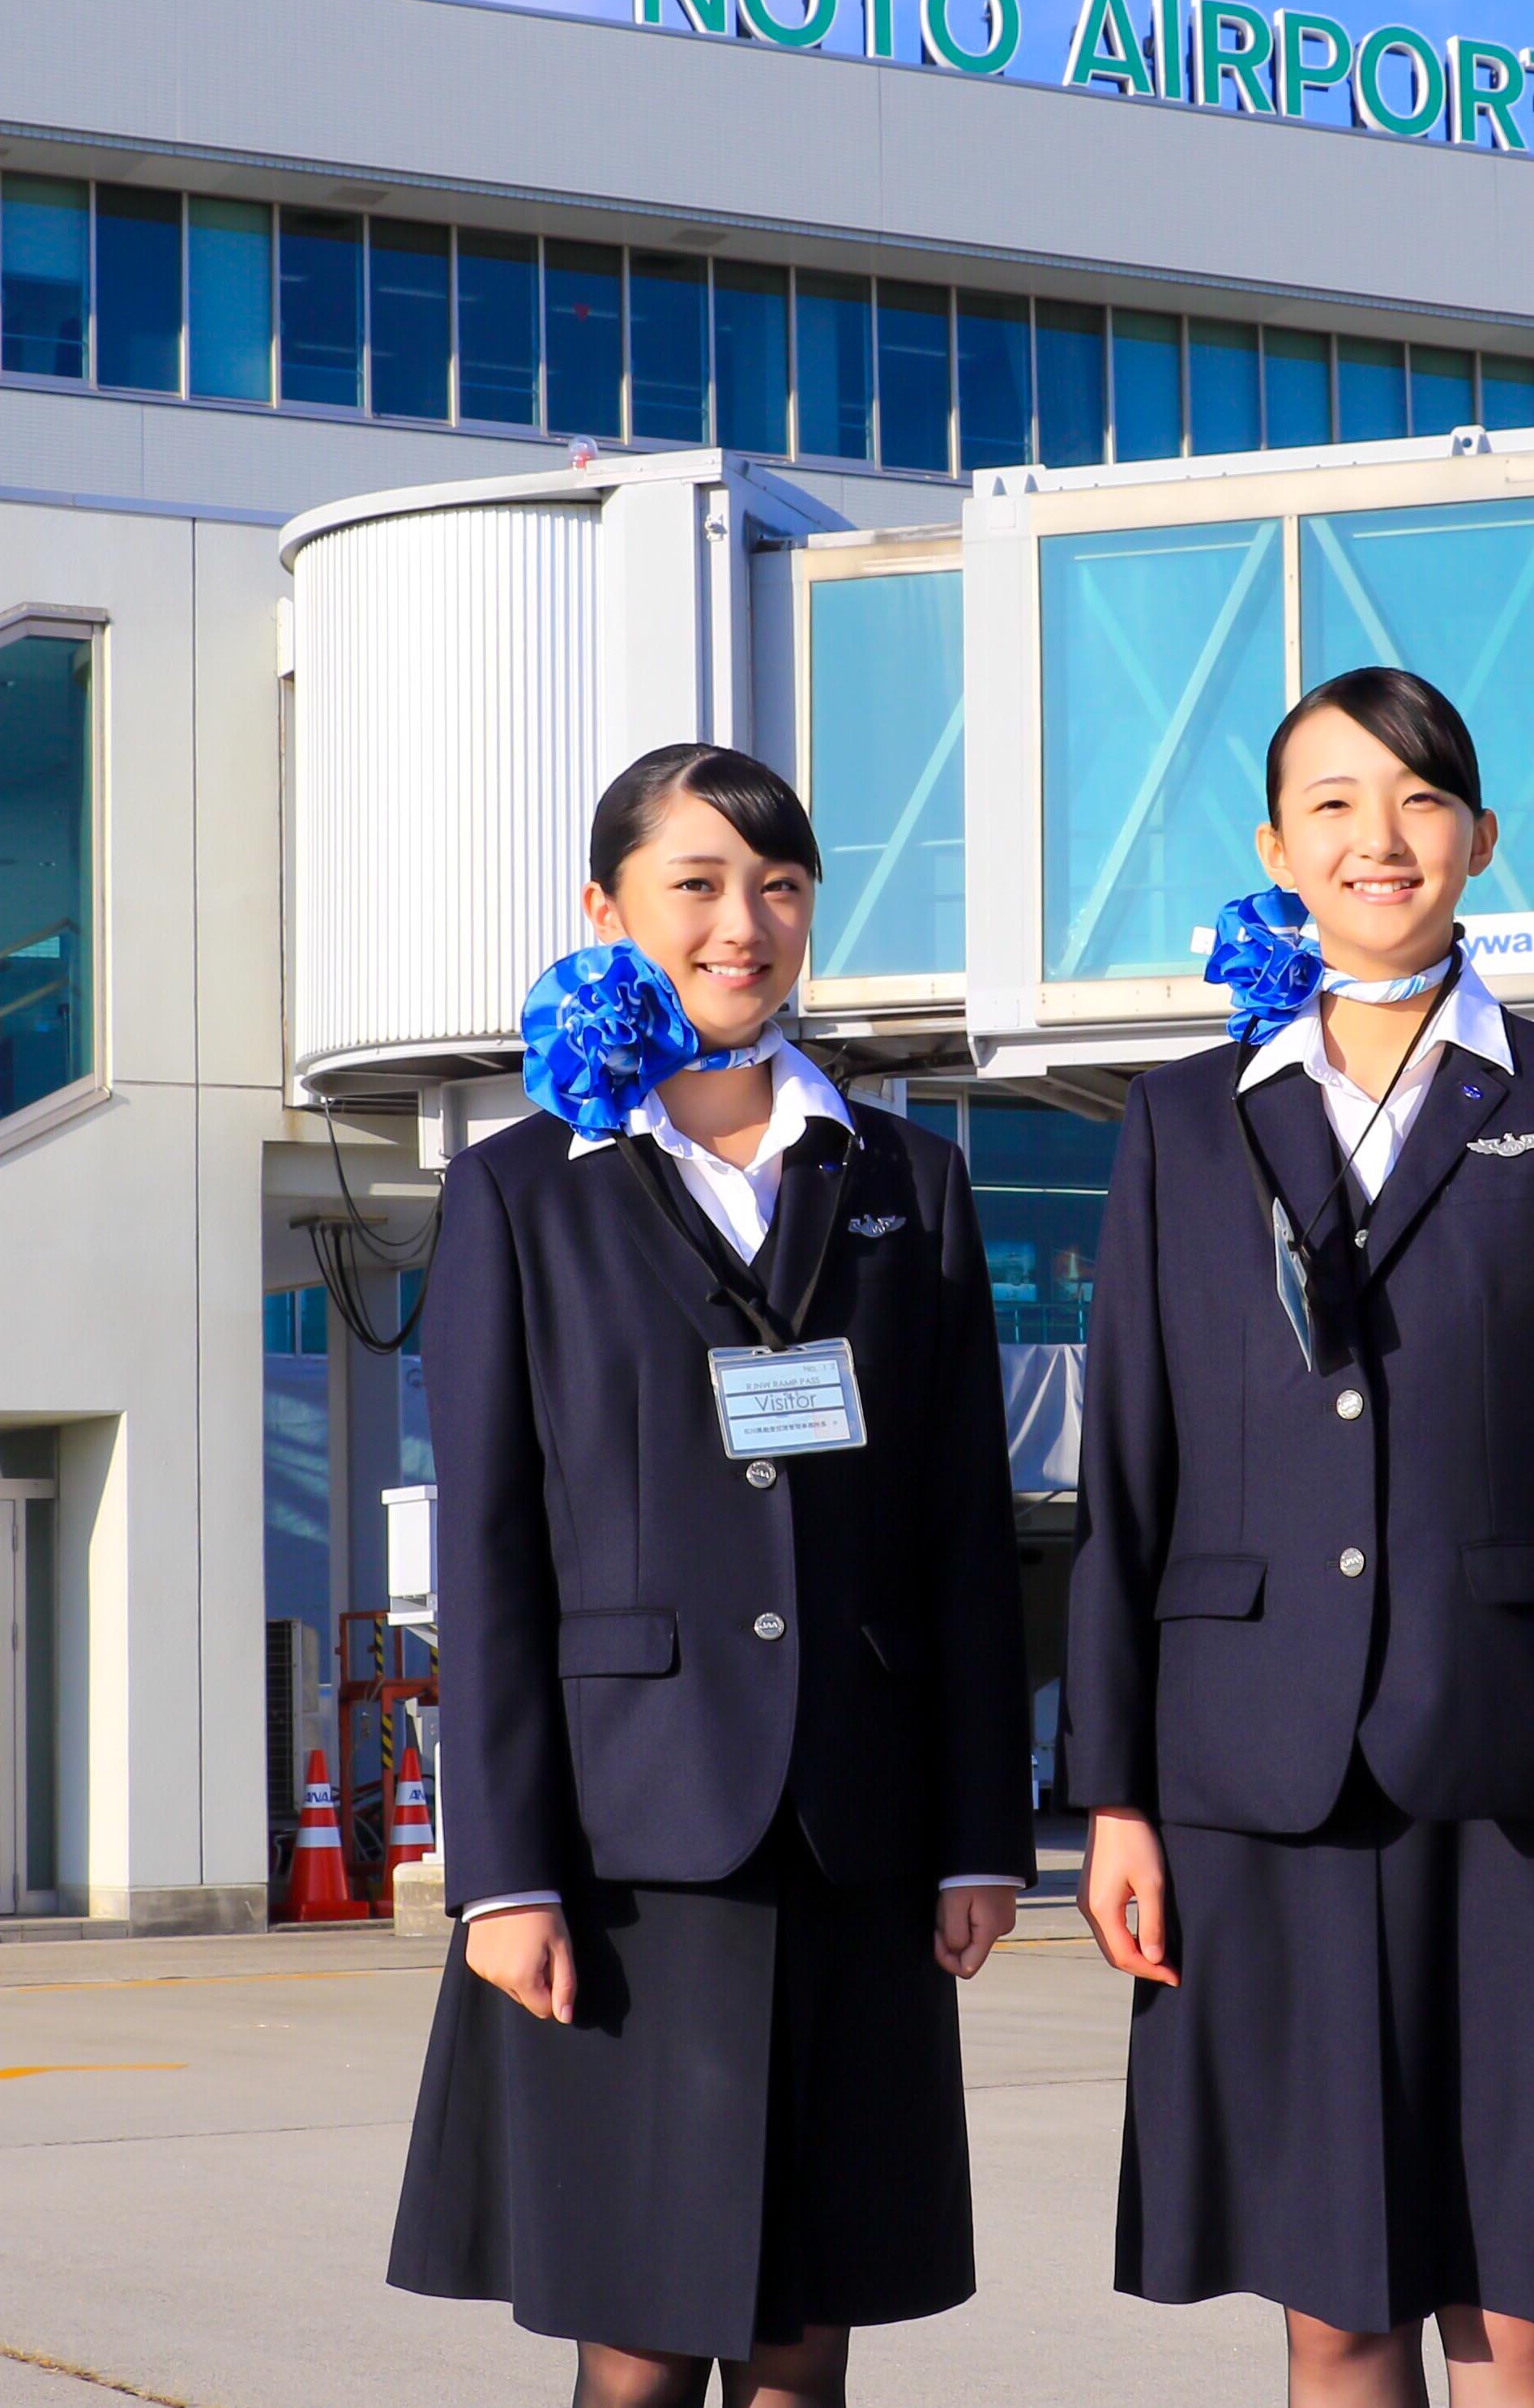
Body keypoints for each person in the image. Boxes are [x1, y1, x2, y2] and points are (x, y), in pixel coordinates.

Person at [1061, 666, 1534, 2407]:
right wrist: (1111, 1792)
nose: (1379, 835)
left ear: (1479, 840)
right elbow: (1124, 1471)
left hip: (1511, 1776)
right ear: (1274, 848)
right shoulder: (1180, 1122)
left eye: (1419, 799)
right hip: (1245, 1781)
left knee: (1517, 2301)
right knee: (1329, 2307)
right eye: (1334, 802)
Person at [387, 742, 1034, 2408]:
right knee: (640, 2343)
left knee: (808, 2340)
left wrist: (978, 1829)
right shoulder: (522, 1192)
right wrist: (502, 1872)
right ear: (604, 912)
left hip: (855, 1829)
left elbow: (963, 1532)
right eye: (697, 885)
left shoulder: (908, 1182)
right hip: (623, 1841)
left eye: (779, 886)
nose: (742, 923)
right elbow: (490, 1546)